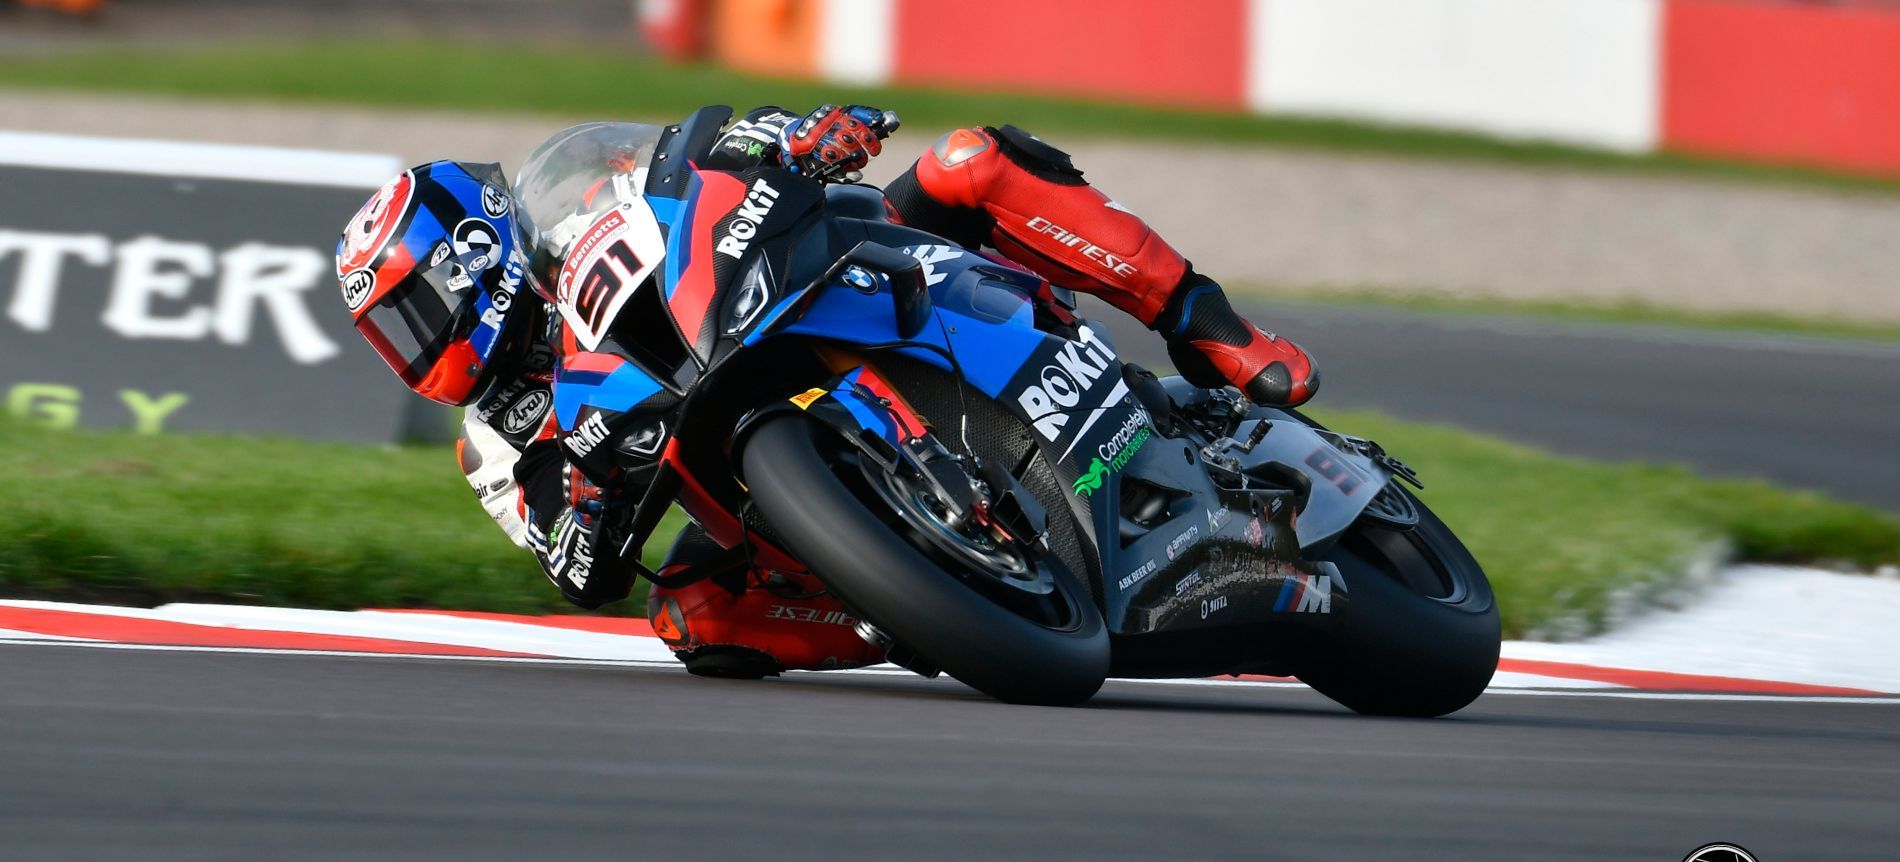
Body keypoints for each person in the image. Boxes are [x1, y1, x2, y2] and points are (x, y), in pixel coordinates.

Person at [337, 104, 1320, 679]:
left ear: (466, 256)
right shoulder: (491, 442)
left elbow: (693, 153)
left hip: (820, 277)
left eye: (411, 311)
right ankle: (913, 594)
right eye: (392, 332)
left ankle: (1212, 329)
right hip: (738, 467)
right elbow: (574, 569)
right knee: (692, 617)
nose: (410, 346)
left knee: (970, 160)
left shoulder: (572, 189)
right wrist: (586, 507)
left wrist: (798, 137)